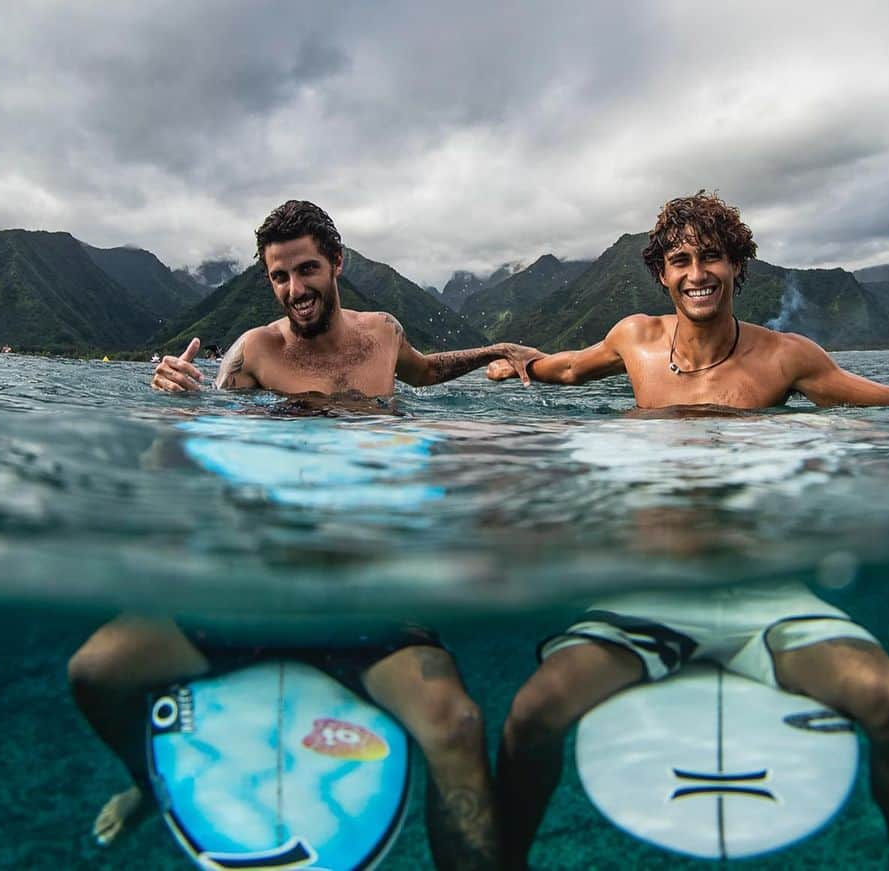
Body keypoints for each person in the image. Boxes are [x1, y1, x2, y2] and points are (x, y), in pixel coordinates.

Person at [486, 191, 889, 871]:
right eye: (681, 260)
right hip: (653, 588)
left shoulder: (785, 358)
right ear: (663, 274)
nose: (698, 272)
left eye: (713, 256)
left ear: (739, 265)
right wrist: (516, 365)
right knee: (530, 715)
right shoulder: (633, 339)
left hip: (760, 591)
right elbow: (566, 367)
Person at [70, 199, 540, 871]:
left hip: (364, 590)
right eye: (279, 277)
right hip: (262, 587)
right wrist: (172, 412)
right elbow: (175, 468)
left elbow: (427, 370)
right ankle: (148, 785)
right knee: (94, 672)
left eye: (307, 270)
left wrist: (498, 348)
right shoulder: (252, 355)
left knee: (457, 724)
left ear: (338, 262)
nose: (294, 289)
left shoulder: (382, 333)